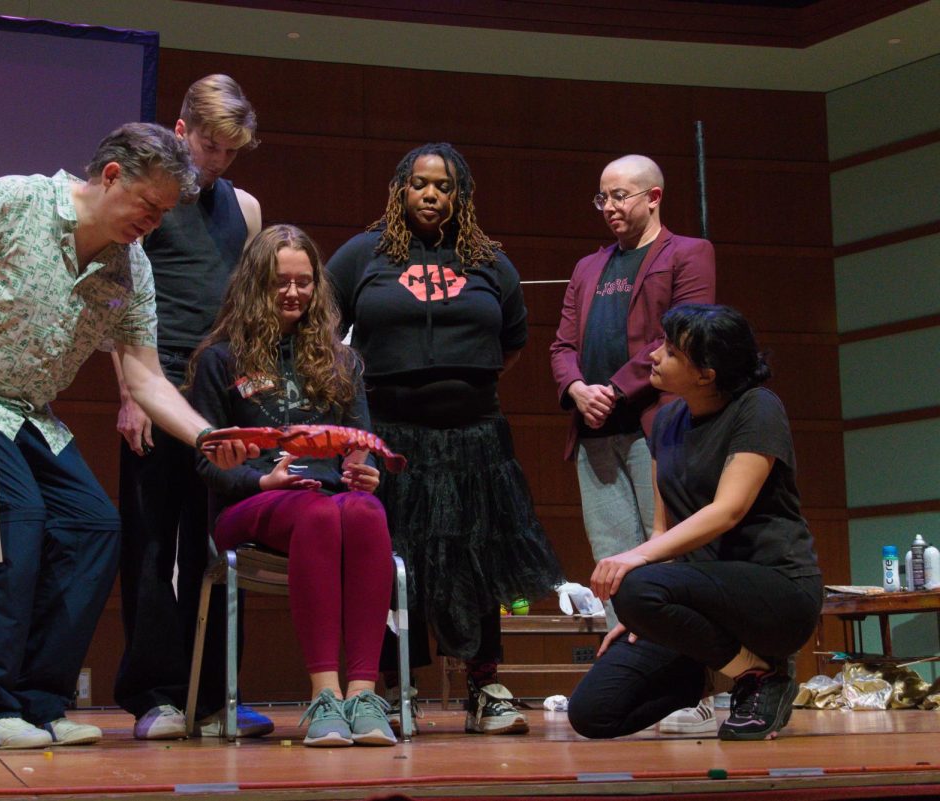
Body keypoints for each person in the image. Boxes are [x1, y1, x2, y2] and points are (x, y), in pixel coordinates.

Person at [0, 122, 254, 750]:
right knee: (18, 518)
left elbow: (145, 375)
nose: (154, 224)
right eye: (149, 205)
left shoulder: (130, 266)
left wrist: (207, 437)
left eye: (164, 213)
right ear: (111, 176)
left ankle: (38, 704)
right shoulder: (12, 201)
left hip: (25, 409)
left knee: (92, 526)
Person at [328, 143, 564, 735]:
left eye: (445, 186)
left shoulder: (491, 263)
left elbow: (512, 343)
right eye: (421, 183)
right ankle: (384, 690)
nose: (432, 195)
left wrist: (457, 382)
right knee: (386, 560)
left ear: (462, 196)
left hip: (475, 439)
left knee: (475, 558)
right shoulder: (362, 254)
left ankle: (484, 687)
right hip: (390, 439)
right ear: (399, 189)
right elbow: (320, 333)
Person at [567, 304, 823, 742]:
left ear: (706, 373)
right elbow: (662, 532)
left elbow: (729, 510)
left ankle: (760, 676)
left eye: (670, 351)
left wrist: (637, 576)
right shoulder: (666, 420)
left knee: (635, 583)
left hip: (777, 591)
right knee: (593, 714)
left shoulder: (757, 408)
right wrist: (646, 612)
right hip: (703, 597)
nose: (654, 356)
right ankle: (702, 677)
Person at [187, 224, 398, 747]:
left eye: (304, 282)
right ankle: (324, 695)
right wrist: (262, 478)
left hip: (329, 504)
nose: (294, 293)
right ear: (255, 284)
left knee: (366, 512)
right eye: (280, 281)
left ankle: (362, 695)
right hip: (251, 505)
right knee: (323, 514)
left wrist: (364, 470)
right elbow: (206, 465)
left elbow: (361, 441)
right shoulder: (220, 359)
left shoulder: (341, 361)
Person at [109, 75, 271, 741]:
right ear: (180, 131)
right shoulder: (149, 199)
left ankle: (214, 695)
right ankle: (159, 694)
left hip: (219, 395)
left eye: (229, 152)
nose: (216, 162)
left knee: (219, 544)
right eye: (208, 146)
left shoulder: (248, 208)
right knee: (149, 543)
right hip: (153, 381)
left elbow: (248, 303)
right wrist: (128, 392)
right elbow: (116, 299)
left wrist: (255, 375)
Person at [549, 154, 716, 733]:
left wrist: (612, 390)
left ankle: (695, 687)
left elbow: (685, 332)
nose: (610, 208)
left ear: (654, 197)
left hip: (656, 427)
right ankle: (646, 683)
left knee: (668, 553)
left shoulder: (687, 253)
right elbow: (561, 344)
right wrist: (575, 389)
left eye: (621, 196)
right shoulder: (587, 266)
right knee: (616, 565)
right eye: (603, 198)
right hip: (597, 435)